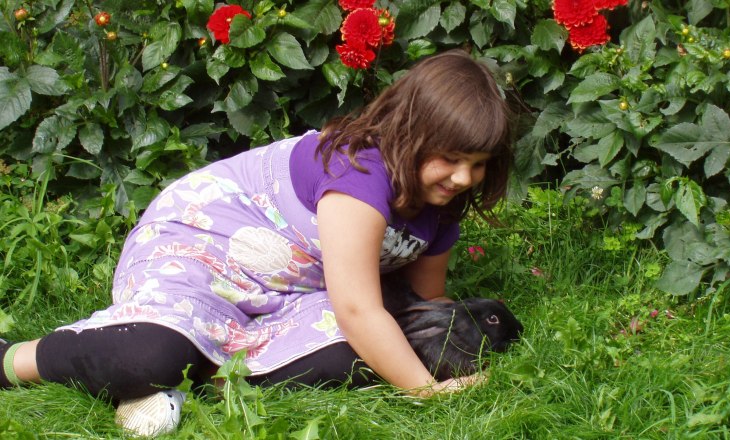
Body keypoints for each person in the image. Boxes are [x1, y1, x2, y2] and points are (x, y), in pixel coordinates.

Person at [0, 49, 513, 436]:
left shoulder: (439, 205)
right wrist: (426, 390)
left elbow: (425, 302)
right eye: (451, 157)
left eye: (479, 163)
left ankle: (184, 378)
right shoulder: (362, 173)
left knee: (353, 360)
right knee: (150, 354)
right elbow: (358, 308)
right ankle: (16, 359)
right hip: (205, 253)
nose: (465, 177)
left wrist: (461, 335)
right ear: (410, 132)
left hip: (287, 293)